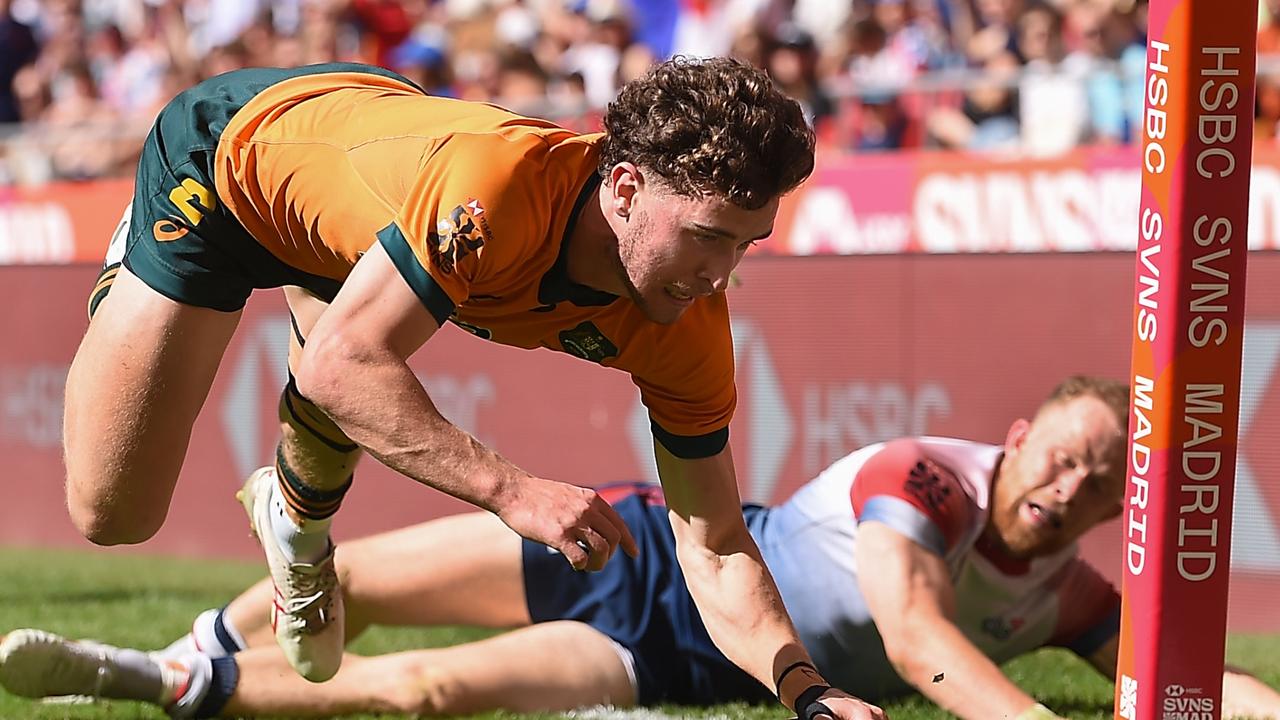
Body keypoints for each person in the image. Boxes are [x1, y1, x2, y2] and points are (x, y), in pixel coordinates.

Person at [61, 55, 880, 719]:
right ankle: (131, 274)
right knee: (113, 513)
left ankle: (296, 517)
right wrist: (513, 493)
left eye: (746, 245)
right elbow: (339, 369)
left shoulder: (688, 324)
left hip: (353, 204)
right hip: (231, 160)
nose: (719, 274)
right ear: (625, 189)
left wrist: (807, 690)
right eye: (707, 237)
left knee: (357, 361)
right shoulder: (496, 195)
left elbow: (715, 543)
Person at [12, 377, 1278, 719]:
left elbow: (1173, 678)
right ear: (1015, 438)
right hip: (642, 557)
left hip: (694, 665)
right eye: (1059, 453)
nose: (1068, 484)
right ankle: (183, 648)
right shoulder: (924, 482)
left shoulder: (1064, 600)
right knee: (342, 587)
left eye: (1101, 478)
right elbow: (910, 634)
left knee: (431, 689)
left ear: (1122, 503)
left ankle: (161, 680)